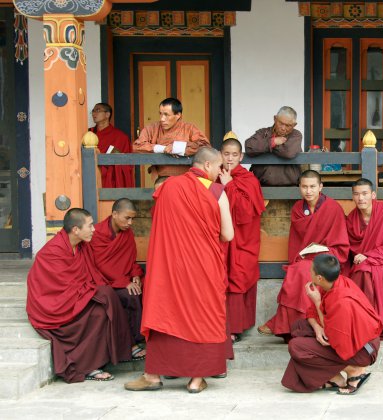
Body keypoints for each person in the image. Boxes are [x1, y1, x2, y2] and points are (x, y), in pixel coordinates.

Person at [124, 147, 234, 393]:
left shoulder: (168, 187)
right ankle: (196, 379)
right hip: (204, 267)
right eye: (218, 167)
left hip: (172, 266)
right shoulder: (216, 191)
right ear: (207, 166)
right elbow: (228, 234)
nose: (220, 172)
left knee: (167, 313)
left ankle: (152, 376)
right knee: (203, 317)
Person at [26, 208, 133, 383]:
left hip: (74, 299)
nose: (94, 229)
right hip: (53, 309)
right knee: (103, 301)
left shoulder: (81, 247)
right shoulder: (52, 252)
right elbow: (57, 289)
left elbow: (90, 275)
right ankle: (87, 366)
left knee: (104, 302)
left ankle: (97, 361)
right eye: (90, 226)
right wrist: (91, 291)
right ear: (76, 230)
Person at [257, 170, 349, 339]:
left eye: (313, 186)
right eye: (304, 186)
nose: (308, 191)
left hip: (327, 257)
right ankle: (290, 326)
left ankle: (293, 325)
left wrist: (322, 250)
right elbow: (296, 242)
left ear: (320, 187)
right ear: (299, 187)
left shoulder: (333, 208)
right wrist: (299, 257)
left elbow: (340, 243)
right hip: (306, 257)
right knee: (296, 270)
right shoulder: (298, 209)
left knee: (301, 272)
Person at [281, 254, 382, 394]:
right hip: (347, 338)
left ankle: (353, 370)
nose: (309, 272)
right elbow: (311, 313)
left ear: (319, 278)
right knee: (299, 327)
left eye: (311, 270)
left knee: (296, 346)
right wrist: (317, 328)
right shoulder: (331, 283)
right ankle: (335, 377)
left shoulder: (342, 301)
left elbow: (334, 337)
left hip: (363, 350)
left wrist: (317, 302)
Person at [217, 135, 265, 342]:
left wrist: (229, 185)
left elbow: (246, 212)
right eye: (226, 154)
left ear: (241, 156)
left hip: (243, 238)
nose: (229, 159)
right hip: (220, 236)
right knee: (219, 278)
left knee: (238, 276)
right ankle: (218, 325)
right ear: (220, 155)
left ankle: (235, 328)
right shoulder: (213, 175)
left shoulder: (248, 179)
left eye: (234, 155)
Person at [344, 178, 383, 339]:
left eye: (364, 194)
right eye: (356, 194)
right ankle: (362, 323)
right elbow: (350, 248)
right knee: (361, 271)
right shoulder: (351, 219)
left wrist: (369, 256)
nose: (361, 198)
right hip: (363, 263)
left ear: (373, 195)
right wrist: (364, 258)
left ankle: (372, 324)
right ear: (352, 197)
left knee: (364, 270)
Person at [90, 198, 146, 353]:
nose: (130, 223)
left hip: (124, 277)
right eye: (127, 218)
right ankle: (132, 343)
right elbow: (100, 265)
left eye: (132, 219)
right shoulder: (97, 233)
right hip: (106, 281)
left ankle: (143, 338)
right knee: (130, 295)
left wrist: (135, 275)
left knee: (145, 288)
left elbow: (131, 258)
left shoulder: (127, 233)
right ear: (114, 214)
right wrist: (124, 282)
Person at [133, 97, 209, 177]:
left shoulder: (189, 128)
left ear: (178, 115)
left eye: (166, 115)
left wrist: (177, 148)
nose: (162, 119)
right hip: (162, 177)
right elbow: (137, 146)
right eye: (160, 114)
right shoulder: (152, 128)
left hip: (186, 177)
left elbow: (205, 146)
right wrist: (163, 149)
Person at [245, 106, 303, 186]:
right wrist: (272, 142)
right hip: (262, 187)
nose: (283, 128)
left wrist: (264, 146)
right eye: (281, 123)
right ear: (275, 119)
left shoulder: (296, 135)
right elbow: (249, 147)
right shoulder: (263, 132)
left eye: (288, 125)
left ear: (294, 125)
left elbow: (288, 152)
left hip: (289, 187)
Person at [89, 103, 134, 188]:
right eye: (93, 111)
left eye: (98, 110)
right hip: (91, 176)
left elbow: (127, 164)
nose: (94, 113)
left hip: (111, 179)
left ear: (107, 114)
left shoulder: (121, 137)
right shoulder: (89, 133)